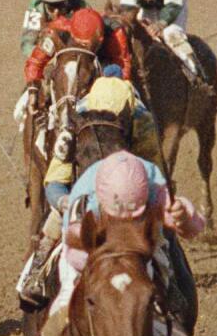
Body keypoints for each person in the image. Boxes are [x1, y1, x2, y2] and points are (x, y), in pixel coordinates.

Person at [3, 149, 212, 336]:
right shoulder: (85, 194)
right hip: (88, 256)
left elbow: (189, 226)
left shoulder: (153, 180)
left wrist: (184, 214)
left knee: (164, 302)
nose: (126, 218)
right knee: (65, 302)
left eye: (133, 214)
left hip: (139, 252)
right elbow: (74, 251)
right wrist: (103, 268)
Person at [16, 73, 162, 305]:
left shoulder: (142, 124)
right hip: (82, 193)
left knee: (166, 239)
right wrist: (65, 202)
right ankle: (36, 273)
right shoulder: (73, 124)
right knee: (52, 222)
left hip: (130, 194)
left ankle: (174, 284)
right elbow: (55, 181)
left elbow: (154, 174)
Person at [115, 0, 207, 88]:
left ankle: (194, 73)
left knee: (171, 34)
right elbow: (127, 7)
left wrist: (160, 24)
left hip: (173, 8)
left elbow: (172, 8)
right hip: (146, 7)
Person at [21, 0, 86, 55]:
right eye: (51, 6)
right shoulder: (36, 10)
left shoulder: (81, 7)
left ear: (69, 1)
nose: (56, 11)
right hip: (48, 54)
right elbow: (26, 45)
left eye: (61, 5)